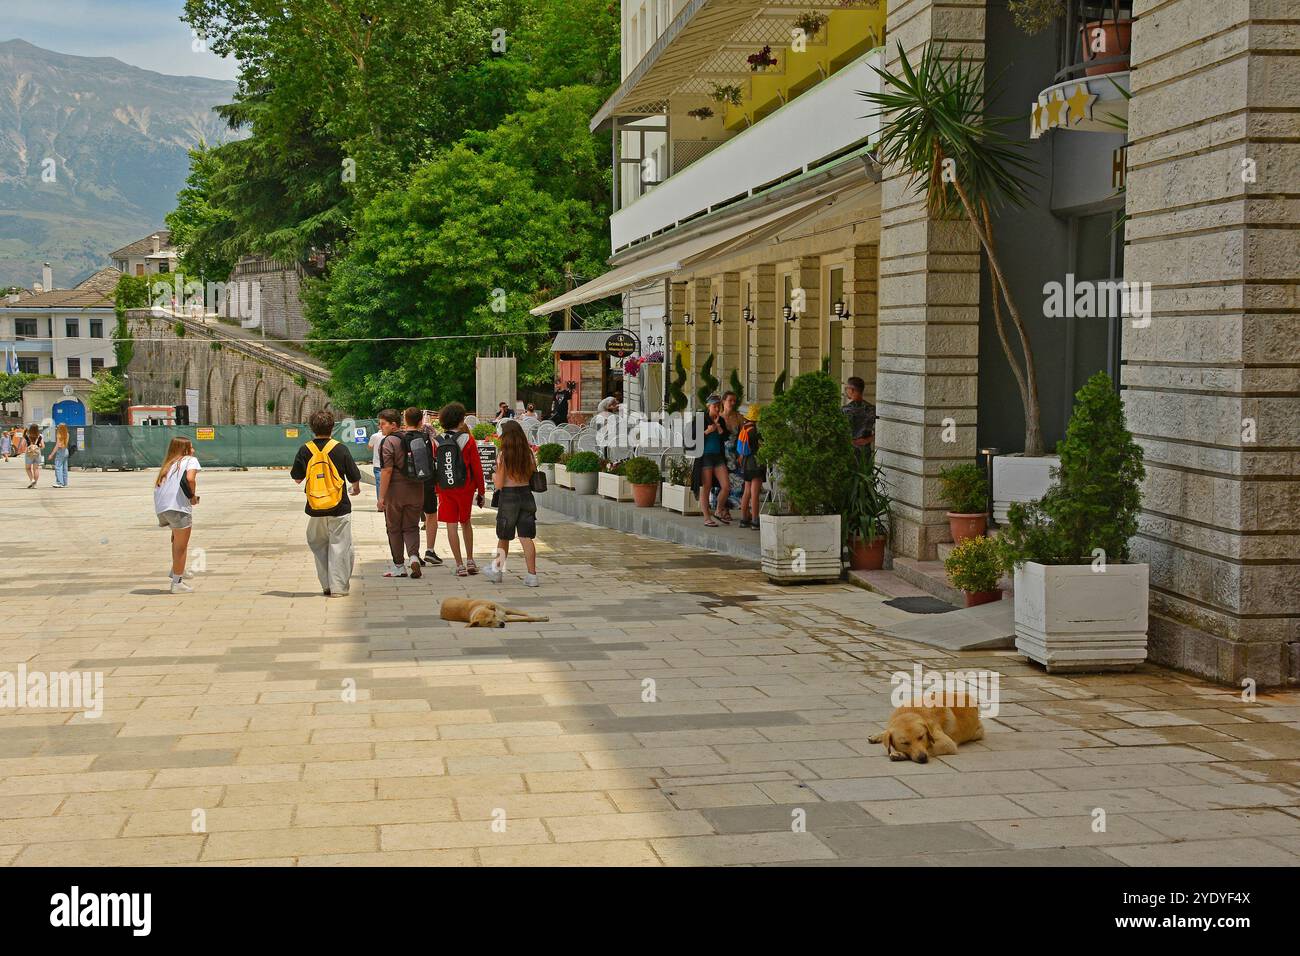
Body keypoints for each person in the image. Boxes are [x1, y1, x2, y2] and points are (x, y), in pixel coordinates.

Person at [291, 409, 362, 597]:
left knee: (318, 544)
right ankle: (338, 587)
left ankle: (326, 585)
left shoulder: (305, 449)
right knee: (340, 546)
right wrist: (355, 488)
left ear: (312, 428)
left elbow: (297, 478)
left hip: (315, 508)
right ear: (333, 427)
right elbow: (354, 476)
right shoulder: (340, 448)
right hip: (339, 506)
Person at [483, 419, 540, 588]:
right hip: (526, 495)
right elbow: (532, 475)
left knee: (504, 536)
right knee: (526, 537)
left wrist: (493, 476)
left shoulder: (503, 456)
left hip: (508, 498)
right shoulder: (529, 453)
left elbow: (499, 484)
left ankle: (497, 571)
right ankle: (532, 575)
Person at [435, 401, 486, 577]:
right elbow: (477, 467)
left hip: (444, 487)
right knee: (465, 522)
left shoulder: (437, 440)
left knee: (451, 524)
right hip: (465, 486)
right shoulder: (467, 439)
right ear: (460, 420)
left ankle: (458, 565)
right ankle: (470, 560)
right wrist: (481, 491)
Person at [376, 407, 425, 579]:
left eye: (383, 424)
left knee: (394, 528)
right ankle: (413, 557)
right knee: (412, 526)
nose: (380, 427)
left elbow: (387, 471)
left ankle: (399, 566)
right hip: (417, 489)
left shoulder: (388, 442)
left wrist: (381, 496)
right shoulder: (413, 438)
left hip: (395, 491)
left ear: (393, 424)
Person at [153, 436, 201, 593]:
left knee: (176, 539)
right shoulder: (190, 460)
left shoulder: (169, 464)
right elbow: (190, 479)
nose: (193, 450)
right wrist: (192, 496)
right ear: (185, 449)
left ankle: (176, 569)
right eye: (191, 447)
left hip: (163, 507)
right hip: (178, 507)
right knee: (181, 546)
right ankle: (177, 582)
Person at [692, 394, 731, 527]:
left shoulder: (721, 420)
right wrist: (706, 432)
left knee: (726, 486)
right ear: (709, 406)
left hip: (718, 456)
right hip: (705, 457)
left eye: (719, 406)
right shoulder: (700, 418)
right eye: (715, 406)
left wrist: (719, 429)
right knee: (706, 487)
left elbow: (726, 437)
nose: (717, 408)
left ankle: (719, 510)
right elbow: (692, 438)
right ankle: (707, 517)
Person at [418, 409, 442, 567]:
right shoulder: (432, 437)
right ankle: (430, 550)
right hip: (428, 481)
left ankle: (413, 553)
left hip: (410, 483)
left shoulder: (402, 438)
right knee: (431, 515)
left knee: (412, 518)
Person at [736, 404, 765, 530]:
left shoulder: (744, 429)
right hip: (756, 464)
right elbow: (761, 448)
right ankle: (755, 520)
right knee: (755, 493)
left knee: (746, 492)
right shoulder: (755, 432)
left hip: (746, 464)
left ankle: (743, 519)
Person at [843, 376, 877, 449]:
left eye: (846, 388)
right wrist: (866, 440)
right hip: (864, 453)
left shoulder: (845, 410)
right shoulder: (872, 409)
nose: (845, 391)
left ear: (852, 390)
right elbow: (882, 430)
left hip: (847, 451)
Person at [47, 423, 70, 488]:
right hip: (66, 451)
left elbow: (57, 445)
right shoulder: (67, 434)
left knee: (58, 466)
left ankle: (59, 482)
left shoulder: (59, 435)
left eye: (58, 427)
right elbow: (65, 444)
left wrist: (51, 454)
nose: (57, 428)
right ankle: (65, 483)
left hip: (60, 451)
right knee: (64, 468)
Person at [367, 422, 385, 502]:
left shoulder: (374, 436)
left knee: (379, 484)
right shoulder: (390, 435)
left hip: (377, 464)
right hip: (389, 464)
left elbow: (369, 447)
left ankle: (380, 503)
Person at [21, 424, 43, 489]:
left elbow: (23, 445)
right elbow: (43, 446)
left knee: (28, 468)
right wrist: (37, 446)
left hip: (29, 454)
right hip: (37, 454)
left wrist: (28, 447)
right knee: (36, 469)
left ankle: (32, 480)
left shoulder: (27, 436)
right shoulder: (40, 436)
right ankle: (35, 484)